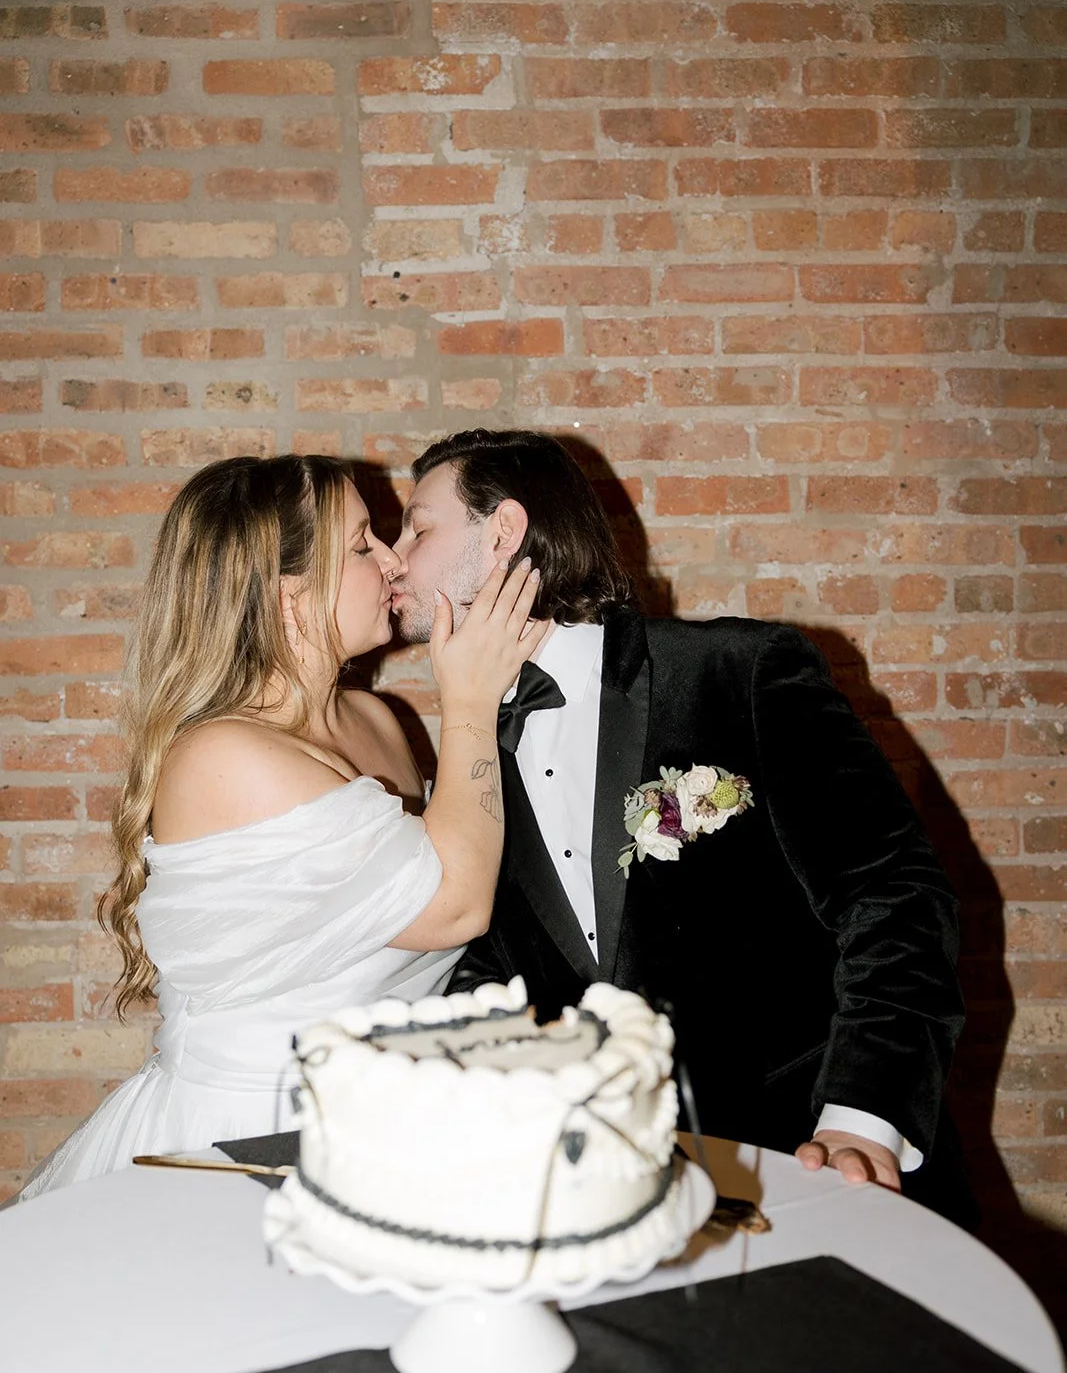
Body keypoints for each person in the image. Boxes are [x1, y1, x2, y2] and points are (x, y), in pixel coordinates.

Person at [390, 429, 974, 1226]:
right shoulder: (468, 765)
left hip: (825, 1164)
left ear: (503, 532)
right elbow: (493, 968)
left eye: (417, 528)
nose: (395, 558)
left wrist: (859, 1119)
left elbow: (894, 900)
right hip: (621, 1200)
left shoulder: (739, 671)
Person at [18, 453, 545, 1200]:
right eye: (363, 544)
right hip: (247, 1146)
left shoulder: (376, 719)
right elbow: (454, 904)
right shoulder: (222, 755)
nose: (393, 560)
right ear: (288, 594)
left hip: (388, 1129)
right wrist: (469, 702)